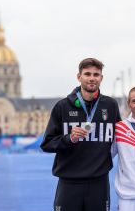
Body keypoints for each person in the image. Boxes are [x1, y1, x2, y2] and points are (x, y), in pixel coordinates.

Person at [40, 58, 121, 211]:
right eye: (87, 74)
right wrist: (68, 138)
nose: (92, 78)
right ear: (79, 77)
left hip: (99, 182)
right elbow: (47, 144)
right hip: (69, 182)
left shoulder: (110, 105)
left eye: (96, 75)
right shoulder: (62, 106)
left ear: (101, 78)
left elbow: (122, 137)